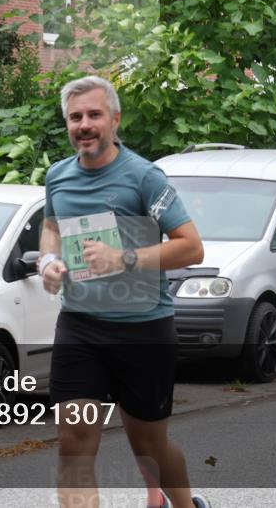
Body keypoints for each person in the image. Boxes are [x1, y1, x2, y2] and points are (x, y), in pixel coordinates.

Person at [38, 75, 210, 508]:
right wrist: (48, 262)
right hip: (80, 325)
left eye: (94, 114)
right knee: (73, 441)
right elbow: (51, 228)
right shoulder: (58, 177)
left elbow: (190, 247)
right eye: (75, 117)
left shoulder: (143, 177)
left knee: (149, 446)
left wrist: (124, 259)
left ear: (114, 119)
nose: (85, 124)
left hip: (144, 328)